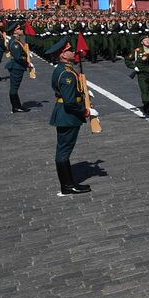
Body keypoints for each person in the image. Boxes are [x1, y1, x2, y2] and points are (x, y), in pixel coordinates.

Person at [47, 37, 94, 196]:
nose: (72, 52)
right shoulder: (66, 74)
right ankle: (67, 186)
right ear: (62, 55)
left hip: (64, 114)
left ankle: (68, 184)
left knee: (63, 150)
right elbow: (69, 102)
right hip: (68, 115)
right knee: (64, 151)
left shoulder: (62, 69)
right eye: (68, 50)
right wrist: (85, 111)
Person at [6, 22, 34, 113]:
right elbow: (18, 57)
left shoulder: (16, 41)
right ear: (15, 31)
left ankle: (17, 105)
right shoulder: (15, 43)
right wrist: (27, 62)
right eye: (19, 28)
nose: (21, 30)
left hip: (17, 66)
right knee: (14, 87)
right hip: (17, 67)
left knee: (15, 87)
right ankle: (15, 107)